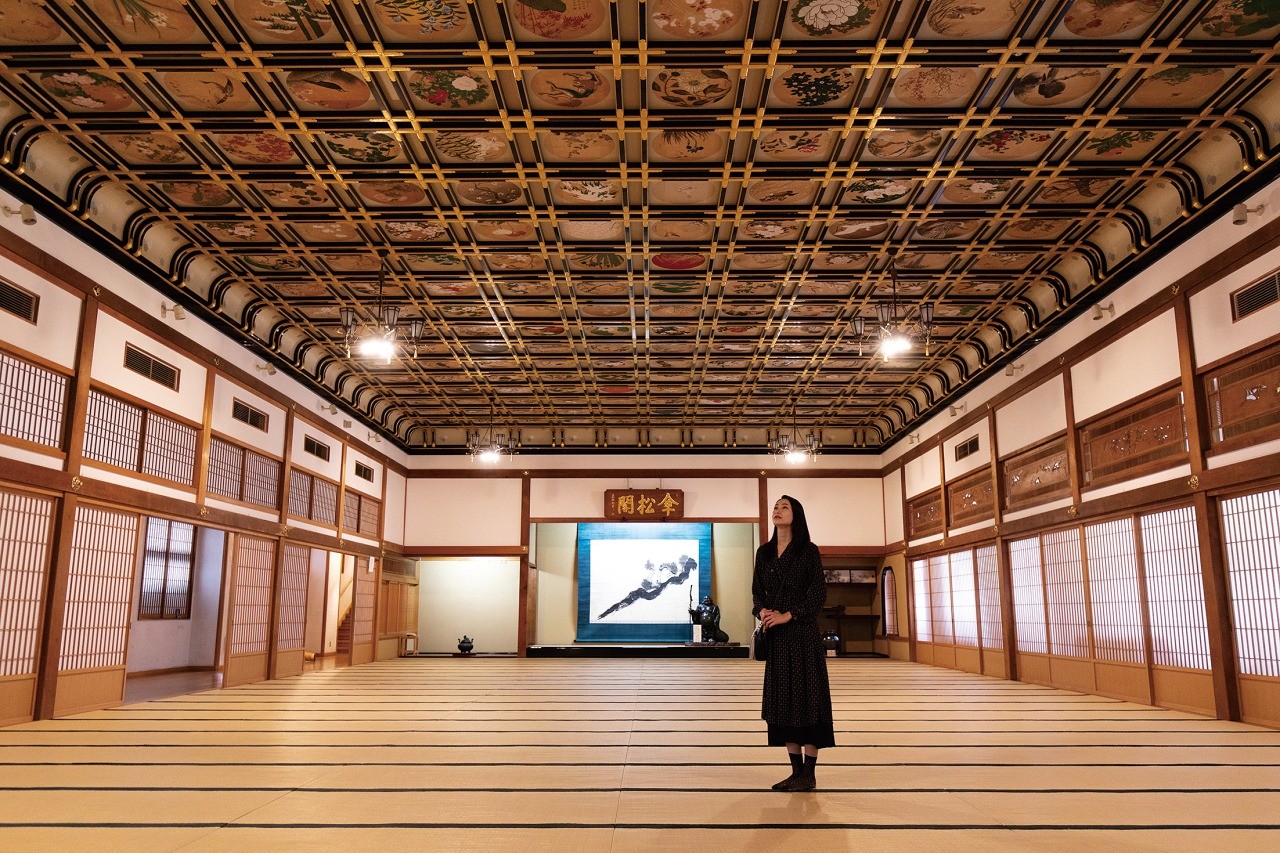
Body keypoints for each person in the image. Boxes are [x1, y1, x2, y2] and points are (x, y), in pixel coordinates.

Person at [752, 494, 834, 792]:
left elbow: (817, 595)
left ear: (795, 515)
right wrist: (762, 611)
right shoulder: (764, 553)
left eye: (784, 507)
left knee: (809, 700)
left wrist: (788, 615)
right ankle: (795, 772)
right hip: (777, 639)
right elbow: (757, 593)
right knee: (783, 702)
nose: (777, 510)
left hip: (803, 636)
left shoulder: (808, 551)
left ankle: (809, 774)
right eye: (775, 506)